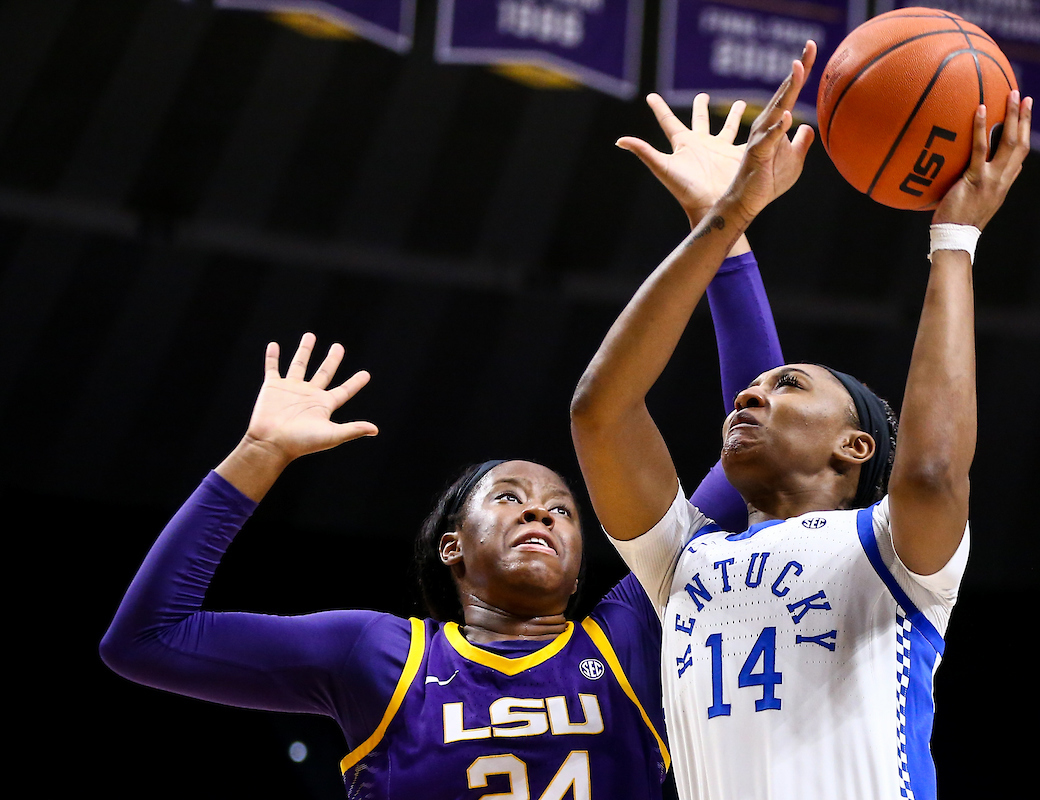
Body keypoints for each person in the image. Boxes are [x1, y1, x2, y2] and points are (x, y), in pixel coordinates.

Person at [100, 104, 791, 798]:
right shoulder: (377, 657)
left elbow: (760, 460)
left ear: (582, 566)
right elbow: (145, 639)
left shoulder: (630, 637)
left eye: (562, 510)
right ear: (452, 546)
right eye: (510, 499)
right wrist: (258, 453)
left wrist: (725, 228)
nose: (542, 515)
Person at [570, 43, 1033, 800]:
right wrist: (724, 217)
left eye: (786, 385)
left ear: (854, 446)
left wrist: (955, 241)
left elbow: (930, 468)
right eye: (751, 390)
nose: (748, 397)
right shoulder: (680, 557)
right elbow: (599, 411)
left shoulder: (890, 551)